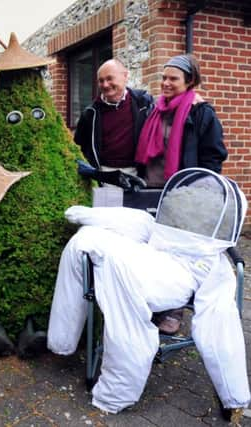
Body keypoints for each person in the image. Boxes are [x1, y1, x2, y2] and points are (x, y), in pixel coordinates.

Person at [47, 168, 249, 422]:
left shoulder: (215, 264)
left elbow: (221, 326)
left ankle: (116, 392)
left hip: (177, 275)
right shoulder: (158, 228)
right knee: (85, 239)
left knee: (117, 267)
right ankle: (62, 341)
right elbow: (137, 222)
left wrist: (234, 397)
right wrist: (87, 215)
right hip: (158, 250)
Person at [135, 54, 227, 333]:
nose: (166, 83)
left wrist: (200, 192)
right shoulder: (155, 109)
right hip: (153, 189)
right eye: (164, 77)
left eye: (173, 78)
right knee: (154, 250)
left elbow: (214, 156)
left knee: (178, 254)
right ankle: (152, 301)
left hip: (184, 196)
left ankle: (174, 309)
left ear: (189, 82)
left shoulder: (201, 113)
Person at [74, 59, 154, 178]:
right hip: (103, 175)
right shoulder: (90, 113)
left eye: (109, 78)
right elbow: (78, 146)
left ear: (125, 76)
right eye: (101, 81)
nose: (105, 85)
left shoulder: (144, 104)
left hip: (138, 174)